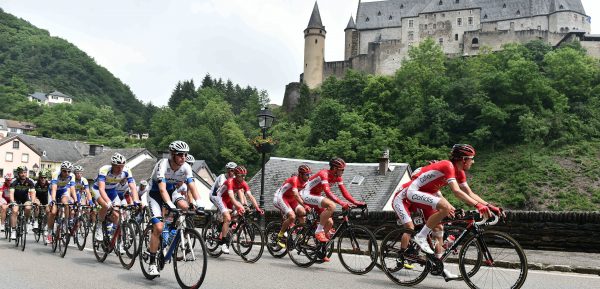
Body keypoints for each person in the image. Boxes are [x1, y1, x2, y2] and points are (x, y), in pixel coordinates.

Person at [393, 144, 504, 278]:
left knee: (439, 227)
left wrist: (490, 206)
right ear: (463, 159)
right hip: (413, 191)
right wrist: (477, 206)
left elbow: (469, 192)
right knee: (443, 208)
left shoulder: (460, 172)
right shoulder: (448, 166)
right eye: (471, 158)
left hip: (428, 194)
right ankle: (419, 238)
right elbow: (456, 192)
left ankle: (439, 266)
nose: (473, 162)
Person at [146, 141, 202, 276]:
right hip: (155, 194)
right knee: (158, 228)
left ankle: (174, 232)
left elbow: (192, 186)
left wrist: (199, 203)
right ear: (172, 155)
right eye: (180, 154)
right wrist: (170, 204)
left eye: (185, 154)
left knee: (185, 207)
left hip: (172, 192)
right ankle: (152, 263)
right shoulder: (163, 164)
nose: (183, 157)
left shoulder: (186, 167)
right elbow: (161, 189)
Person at [301, 157, 365, 247]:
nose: (343, 172)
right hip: (306, 194)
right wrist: (342, 203)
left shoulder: (337, 177)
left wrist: (356, 202)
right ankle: (318, 231)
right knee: (331, 205)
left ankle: (319, 248)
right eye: (341, 170)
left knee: (330, 223)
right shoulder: (324, 174)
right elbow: (327, 193)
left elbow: (345, 193)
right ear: (335, 169)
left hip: (316, 196)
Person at [210, 165, 264, 254]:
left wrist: (258, 208)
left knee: (237, 215)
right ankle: (223, 243)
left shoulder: (243, 183)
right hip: (219, 197)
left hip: (227, 199)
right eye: (240, 176)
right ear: (235, 175)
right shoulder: (230, 182)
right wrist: (239, 206)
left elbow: (250, 196)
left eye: (244, 176)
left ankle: (224, 227)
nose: (243, 178)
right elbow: (232, 197)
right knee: (227, 217)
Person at [93, 153, 140, 241]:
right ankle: (99, 225)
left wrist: (136, 200)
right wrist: (108, 201)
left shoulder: (126, 171)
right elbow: (101, 189)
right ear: (113, 165)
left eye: (122, 166)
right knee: (106, 205)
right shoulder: (104, 170)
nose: (120, 169)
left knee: (118, 214)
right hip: (98, 190)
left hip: (112, 191)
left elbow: (132, 187)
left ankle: (114, 236)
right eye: (118, 166)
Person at [273, 165, 311, 248]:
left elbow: (306, 195)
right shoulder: (295, 179)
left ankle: (300, 235)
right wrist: (305, 205)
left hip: (292, 199)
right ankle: (280, 235)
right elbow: (296, 195)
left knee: (303, 213)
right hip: (282, 197)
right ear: (300, 174)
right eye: (306, 174)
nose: (309, 176)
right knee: (292, 216)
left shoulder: (306, 182)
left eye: (309, 174)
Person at [48, 161, 78, 243]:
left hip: (63, 191)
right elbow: (54, 189)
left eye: (69, 171)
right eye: (64, 171)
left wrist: (76, 200)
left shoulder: (72, 176)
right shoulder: (55, 174)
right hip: (52, 191)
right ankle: (49, 232)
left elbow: (72, 189)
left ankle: (65, 223)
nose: (67, 173)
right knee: (53, 212)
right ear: (61, 170)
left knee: (66, 203)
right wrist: (53, 200)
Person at [9, 166, 36, 239]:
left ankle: (25, 222)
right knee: (14, 211)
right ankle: (13, 231)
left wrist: (32, 202)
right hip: (16, 199)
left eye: (24, 172)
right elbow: (11, 193)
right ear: (18, 174)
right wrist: (12, 202)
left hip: (25, 199)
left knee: (28, 207)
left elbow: (33, 193)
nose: (23, 174)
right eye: (21, 173)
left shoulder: (30, 181)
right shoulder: (14, 181)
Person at [32, 169, 52, 240]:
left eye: (44, 177)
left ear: (46, 178)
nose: (43, 179)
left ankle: (45, 225)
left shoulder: (49, 184)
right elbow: (33, 193)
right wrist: (34, 200)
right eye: (41, 177)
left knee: (48, 211)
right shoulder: (35, 184)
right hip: (38, 198)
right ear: (39, 178)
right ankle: (36, 221)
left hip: (46, 200)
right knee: (37, 205)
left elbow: (52, 194)